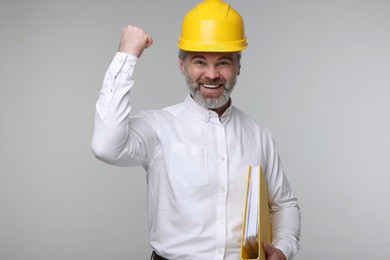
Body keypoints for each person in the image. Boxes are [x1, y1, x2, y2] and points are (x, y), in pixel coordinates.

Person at [91, 0, 301, 259]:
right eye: (199, 62)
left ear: (238, 67)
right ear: (182, 66)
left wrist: (283, 249)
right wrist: (126, 56)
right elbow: (105, 147)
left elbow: (284, 204)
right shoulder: (158, 127)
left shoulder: (259, 134)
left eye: (223, 62)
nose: (212, 74)